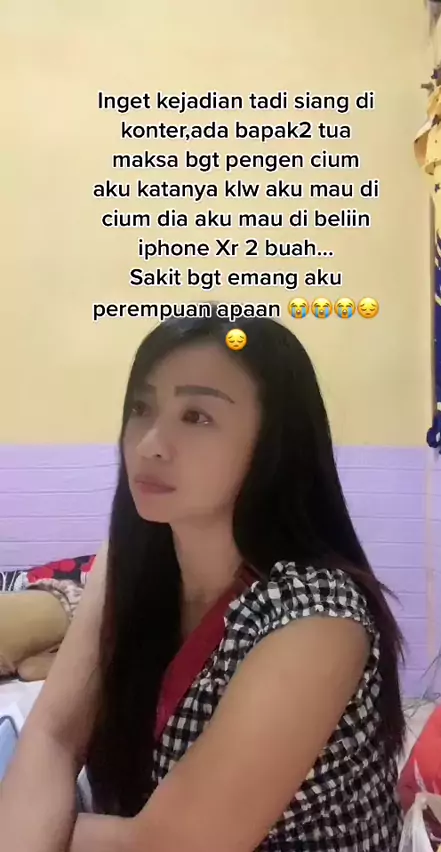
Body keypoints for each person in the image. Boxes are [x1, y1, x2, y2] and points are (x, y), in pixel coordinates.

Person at [0, 312, 405, 851]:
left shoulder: (317, 618)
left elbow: (170, 847)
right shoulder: (130, 560)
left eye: (196, 416)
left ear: (273, 444)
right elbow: (53, 736)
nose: (150, 444)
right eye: (141, 408)